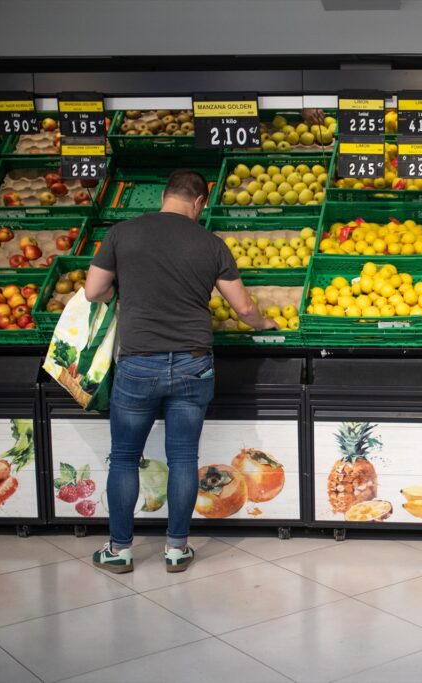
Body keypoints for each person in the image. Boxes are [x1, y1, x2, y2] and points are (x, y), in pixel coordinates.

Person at [84, 170, 276, 574]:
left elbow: (93, 290)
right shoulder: (211, 243)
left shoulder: (122, 233)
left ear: (165, 195)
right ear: (200, 202)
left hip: (138, 362)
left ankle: (119, 549)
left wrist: (126, 292)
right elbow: (242, 308)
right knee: (184, 457)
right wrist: (265, 325)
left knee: (123, 458)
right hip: (193, 362)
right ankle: (176, 549)